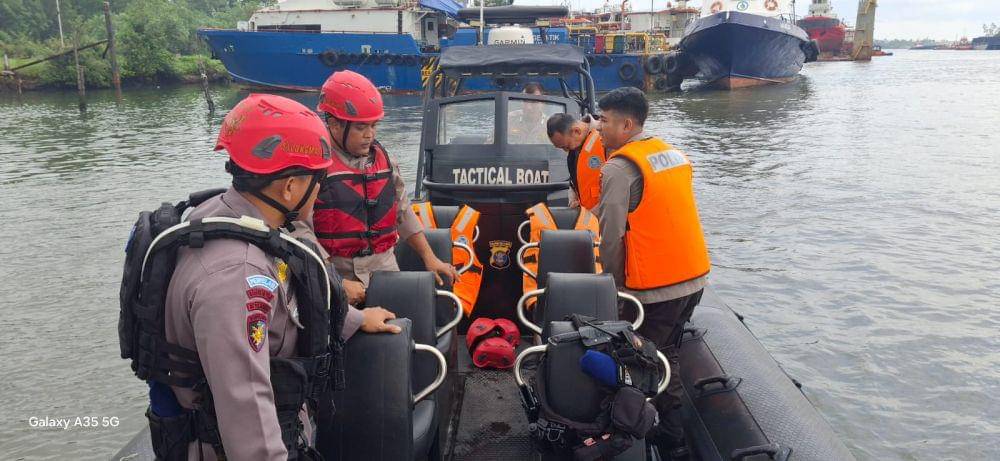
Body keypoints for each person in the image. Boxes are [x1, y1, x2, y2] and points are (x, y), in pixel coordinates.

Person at [148, 94, 400, 460]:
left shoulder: (231, 217)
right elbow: (247, 409)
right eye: (319, 181)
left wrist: (355, 319)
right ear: (289, 187)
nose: (321, 192)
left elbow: (289, 302)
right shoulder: (237, 279)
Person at [594, 87, 711, 459]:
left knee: (650, 360)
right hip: (693, 276)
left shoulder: (618, 167)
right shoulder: (671, 154)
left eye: (605, 121)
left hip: (656, 287)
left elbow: (610, 235)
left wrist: (611, 289)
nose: (598, 128)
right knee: (671, 353)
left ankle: (669, 440)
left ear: (627, 124)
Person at [314, 70, 458, 300]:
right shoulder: (313, 166)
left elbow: (401, 210)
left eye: (374, 126)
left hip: (384, 267)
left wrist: (429, 258)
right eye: (361, 128)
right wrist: (334, 281)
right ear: (334, 124)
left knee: (399, 330)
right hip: (335, 272)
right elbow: (300, 231)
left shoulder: (384, 160)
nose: (369, 135)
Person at [546, 112, 606, 210]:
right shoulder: (575, 148)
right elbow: (575, 180)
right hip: (588, 218)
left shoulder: (605, 136)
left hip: (605, 216)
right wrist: (573, 199)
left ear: (577, 131)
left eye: (566, 146)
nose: (566, 150)